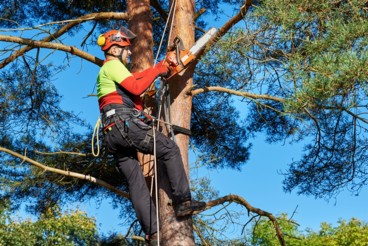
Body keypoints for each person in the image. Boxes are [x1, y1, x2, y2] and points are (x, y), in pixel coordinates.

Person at [96, 27, 206, 243]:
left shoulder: (110, 73)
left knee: (136, 181)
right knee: (169, 149)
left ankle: (153, 233)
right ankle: (183, 202)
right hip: (123, 125)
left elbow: (132, 86)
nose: (129, 54)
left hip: (112, 133)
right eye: (126, 50)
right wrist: (159, 68)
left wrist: (159, 70)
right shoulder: (113, 66)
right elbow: (136, 87)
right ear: (116, 49)